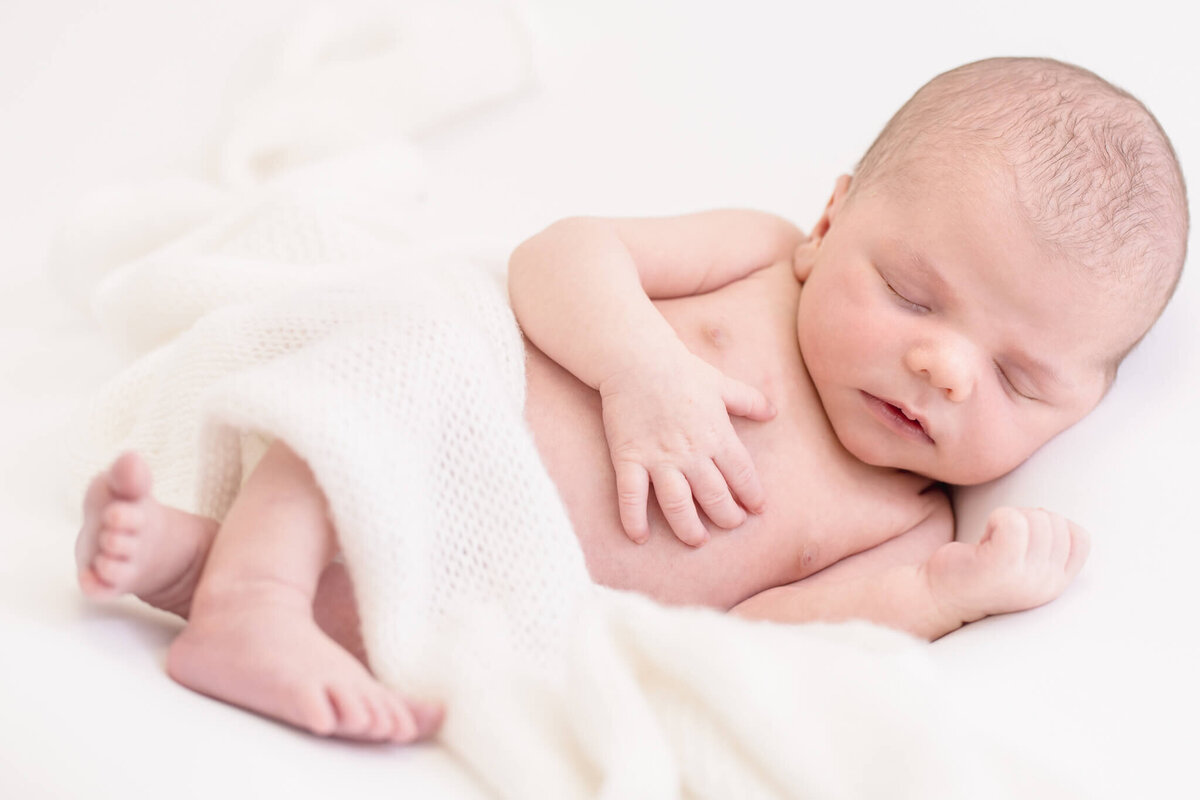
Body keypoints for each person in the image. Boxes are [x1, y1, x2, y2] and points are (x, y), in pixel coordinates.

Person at [72, 56, 1188, 744]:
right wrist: (637, 369)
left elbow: (760, 634)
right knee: (404, 350)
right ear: (833, 218)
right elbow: (562, 256)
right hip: (461, 398)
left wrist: (944, 590)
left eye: (1019, 378)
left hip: (521, 576)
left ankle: (194, 563)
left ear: (1083, 406)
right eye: (909, 291)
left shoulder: (904, 521)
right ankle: (254, 590)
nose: (945, 368)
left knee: (480, 634)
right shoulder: (757, 256)